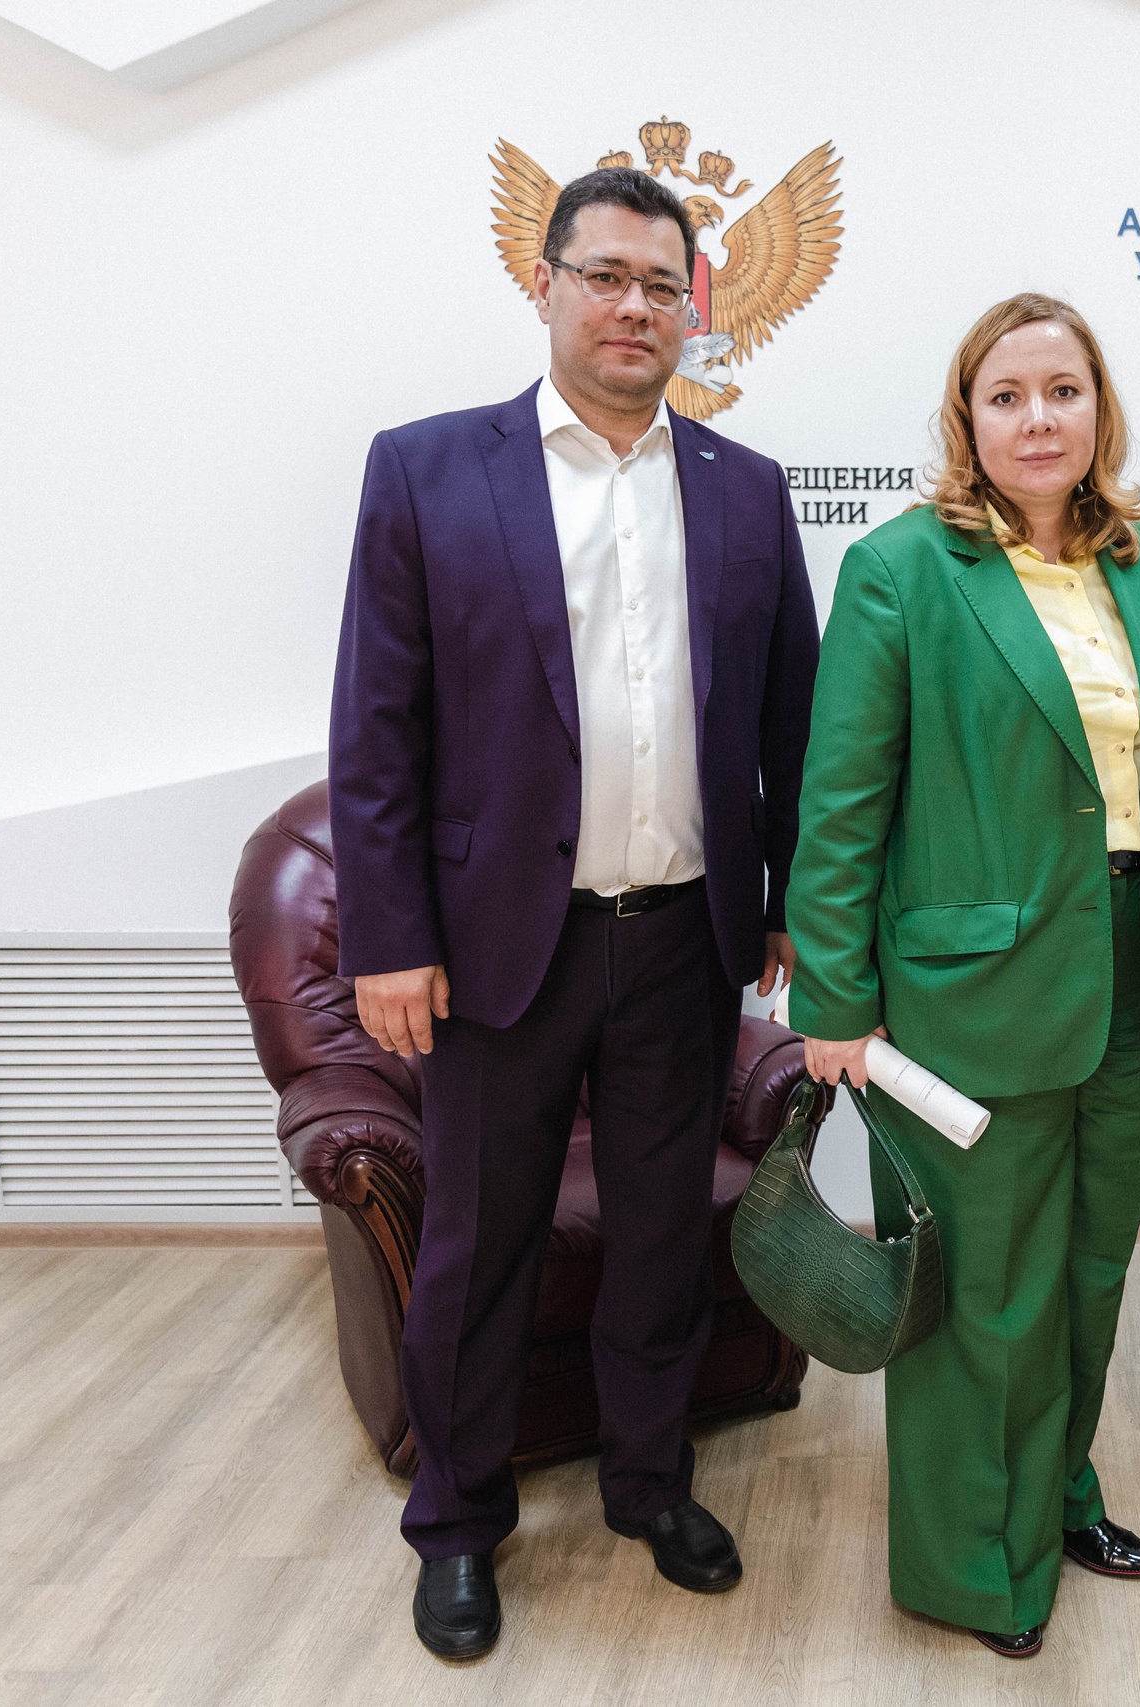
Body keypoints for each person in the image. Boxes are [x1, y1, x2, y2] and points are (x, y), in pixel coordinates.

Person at [328, 165, 818, 1660]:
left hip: (685, 937)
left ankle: (649, 1483)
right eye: (605, 276)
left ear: (693, 309)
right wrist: (389, 940)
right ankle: (458, 1524)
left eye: (663, 285)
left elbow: (793, 720)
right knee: (481, 1247)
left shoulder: (745, 488)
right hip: (494, 950)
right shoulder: (427, 471)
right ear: (545, 286)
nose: (634, 307)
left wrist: (789, 900)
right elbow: (377, 733)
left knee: (664, 1237)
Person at [786, 294, 1140, 1660]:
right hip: (964, 998)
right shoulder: (901, 570)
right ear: (966, 419)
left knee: (1090, 1275)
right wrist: (832, 1001)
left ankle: (1056, 1497)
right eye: (1008, 395)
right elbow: (842, 803)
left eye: (1064, 391)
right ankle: (976, 1567)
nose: (1040, 418)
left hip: (1133, 976)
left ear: (1100, 410)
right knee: (984, 1295)